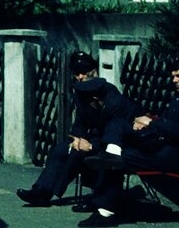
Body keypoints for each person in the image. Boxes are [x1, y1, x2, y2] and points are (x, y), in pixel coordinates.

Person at [78, 60, 179, 227]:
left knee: (122, 157)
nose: (174, 80)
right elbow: (167, 124)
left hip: (174, 156)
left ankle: (104, 211)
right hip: (161, 147)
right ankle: (111, 154)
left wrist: (150, 123)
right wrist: (144, 124)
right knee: (118, 124)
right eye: (173, 76)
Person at [17, 51, 138, 208]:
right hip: (90, 137)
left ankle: (59, 193)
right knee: (61, 149)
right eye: (77, 74)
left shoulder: (110, 93)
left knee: (77, 153)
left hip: (109, 140)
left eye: (84, 73)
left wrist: (90, 145)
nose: (80, 77)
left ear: (94, 72)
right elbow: (81, 121)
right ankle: (41, 191)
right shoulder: (80, 93)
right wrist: (75, 139)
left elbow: (116, 126)